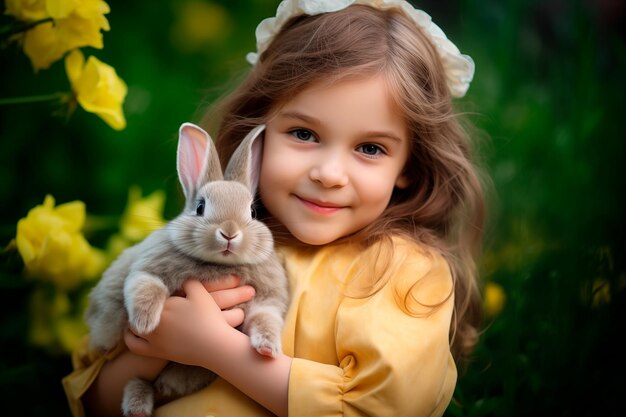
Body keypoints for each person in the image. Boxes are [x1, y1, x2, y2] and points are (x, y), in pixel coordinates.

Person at [63, 1, 487, 416]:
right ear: (258, 138)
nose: (329, 173)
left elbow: (380, 406)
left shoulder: (400, 271)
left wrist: (215, 349)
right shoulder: (207, 246)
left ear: (408, 166)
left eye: (370, 148)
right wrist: (157, 347)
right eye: (304, 134)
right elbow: (97, 400)